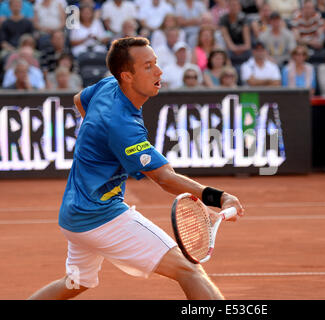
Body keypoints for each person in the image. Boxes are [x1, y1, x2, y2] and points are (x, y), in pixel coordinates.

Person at [27, 36, 244, 300]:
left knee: (75, 283)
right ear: (127, 76)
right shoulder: (122, 127)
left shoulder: (108, 85)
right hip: (100, 217)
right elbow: (164, 178)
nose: (159, 71)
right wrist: (219, 197)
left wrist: (100, 142)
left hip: (72, 215)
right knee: (190, 271)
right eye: (148, 66)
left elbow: (79, 100)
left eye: (156, 63)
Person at [219, 0, 252, 69]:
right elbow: (227, 39)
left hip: (243, 49)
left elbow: (247, 43)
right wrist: (235, 48)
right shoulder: (223, 19)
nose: (234, 7)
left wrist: (240, 48)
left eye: (236, 5)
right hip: (230, 49)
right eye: (232, 5)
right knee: (225, 54)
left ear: (239, 7)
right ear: (228, 7)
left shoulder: (244, 18)